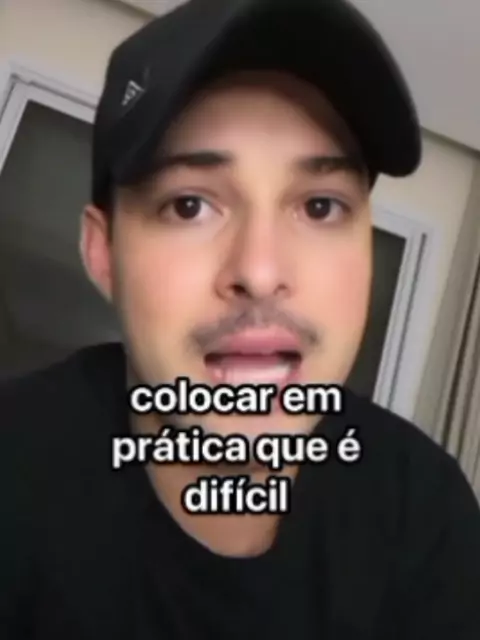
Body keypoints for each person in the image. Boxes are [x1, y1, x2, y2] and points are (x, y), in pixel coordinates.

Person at [1, 0, 480, 638]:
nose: (258, 270)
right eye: (189, 206)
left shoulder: (425, 512)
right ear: (103, 253)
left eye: (319, 206)